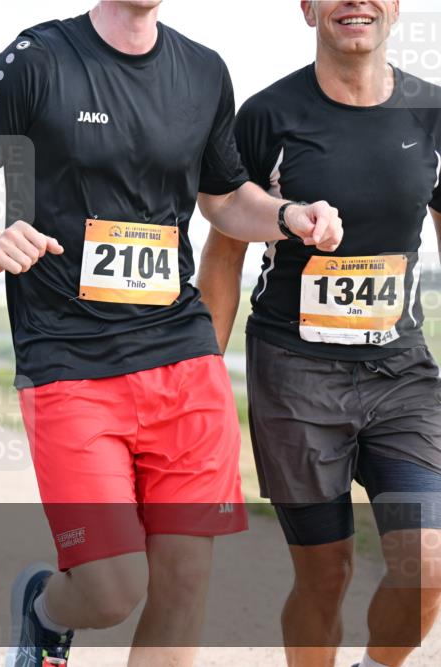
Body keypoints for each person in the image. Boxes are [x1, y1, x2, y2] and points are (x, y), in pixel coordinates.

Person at [0, 1, 344, 665]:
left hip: (182, 355)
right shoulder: (37, 59)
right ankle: (43, 607)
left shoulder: (204, 71)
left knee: (184, 582)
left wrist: (289, 214)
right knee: (111, 588)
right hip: (69, 358)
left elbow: (226, 197)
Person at [197, 3, 441, 666]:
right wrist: (205, 383)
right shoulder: (266, 116)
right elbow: (224, 254)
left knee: (427, 560)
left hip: (401, 375)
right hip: (295, 376)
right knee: (325, 572)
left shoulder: (432, 112)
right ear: (307, 8)